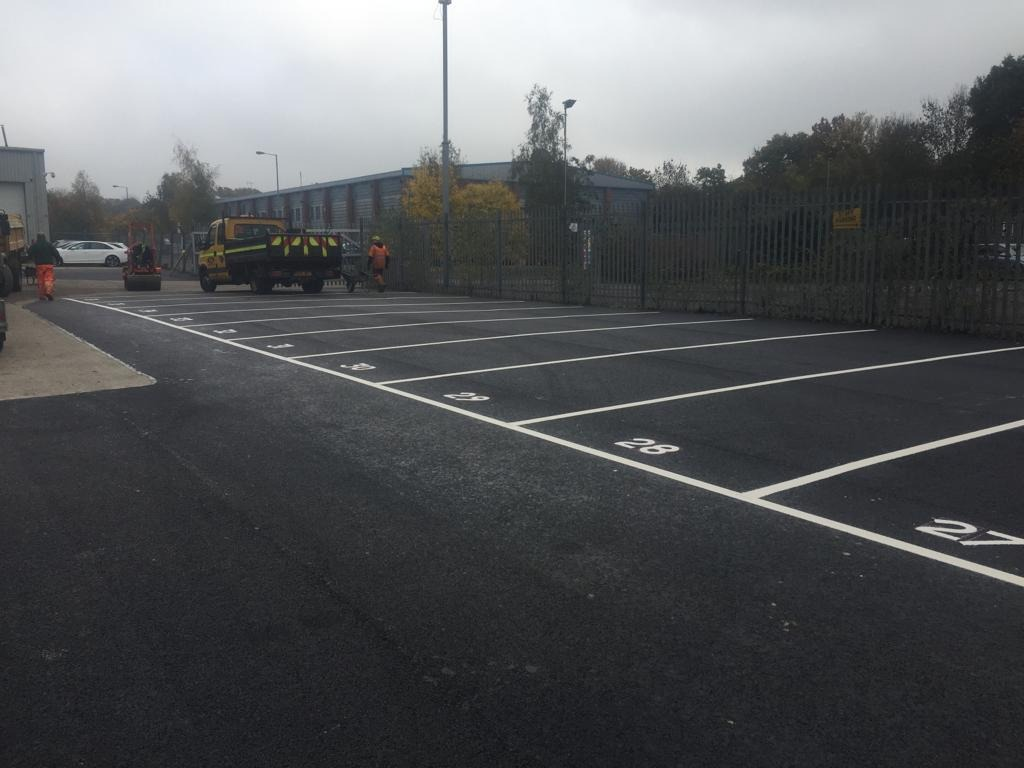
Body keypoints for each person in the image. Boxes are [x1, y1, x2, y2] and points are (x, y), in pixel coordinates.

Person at [27, 233, 58, 301]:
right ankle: (48, 291)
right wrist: (59, 259)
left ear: (37, 237)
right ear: (45, 237)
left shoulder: (35, 245)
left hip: (39, 265)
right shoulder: (49, 244)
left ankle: (42, 295)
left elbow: (29, 253)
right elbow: (55, 252)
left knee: (41, 280)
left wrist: (29, 258)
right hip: (49, 264)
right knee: (49, 279)